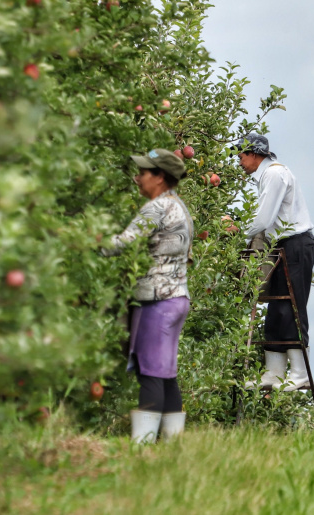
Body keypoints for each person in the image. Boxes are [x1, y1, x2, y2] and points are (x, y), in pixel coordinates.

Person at [102, 148, 193, 444]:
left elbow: (123, 244)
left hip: (158, 299)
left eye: (144, 173)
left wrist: (84, 241)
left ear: (160, 177)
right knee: (164, 372)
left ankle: (143, 447)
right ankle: (171, 445)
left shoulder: (156, 208)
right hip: (177, 296)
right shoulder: (180, 207)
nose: (138, 178)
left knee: (151, 371)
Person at [235, 134, 314, 392]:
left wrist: (236, 230)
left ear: (254, 154)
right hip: (280, 246)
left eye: (241, 155)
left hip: (295, 244)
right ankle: (273, 373)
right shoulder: (266, 176)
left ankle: (300, 373)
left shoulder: (273, 174)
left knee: (292, 309)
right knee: (275, 309)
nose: (239, 160)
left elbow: (262, 219)